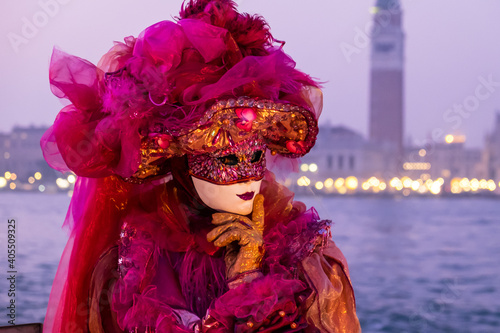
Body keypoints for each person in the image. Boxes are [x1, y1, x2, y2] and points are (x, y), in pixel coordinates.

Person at [41, 1, 361, 332]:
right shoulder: (141, 256)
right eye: (225, 158)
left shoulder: (298, 251)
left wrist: (252, 279)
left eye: (255, 157)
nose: (247, 178)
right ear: (183, 162)